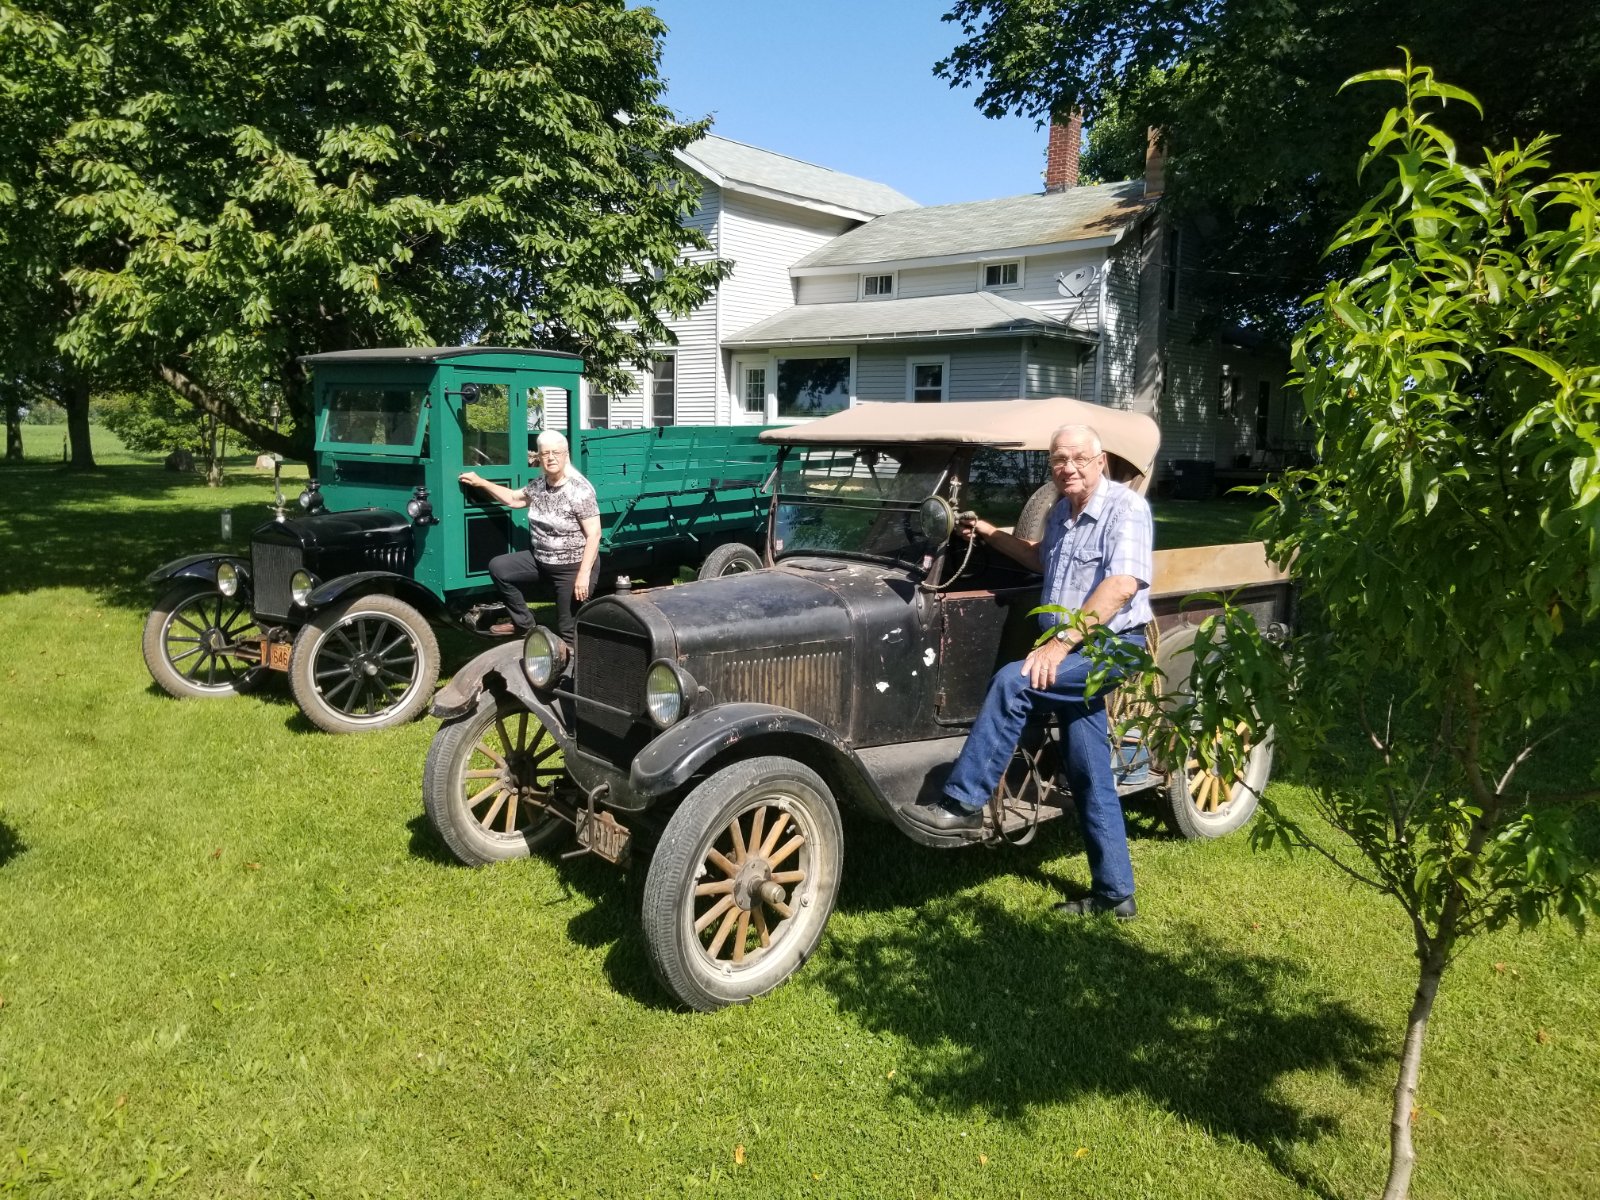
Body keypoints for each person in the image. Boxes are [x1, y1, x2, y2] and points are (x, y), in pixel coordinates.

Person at [904, 423, 1154, 920]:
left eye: (1079, 458)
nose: (1069, 468)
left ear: (1100, 461)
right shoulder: (1062, 513)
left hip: (1108, 647)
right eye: (1059, 460)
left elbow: (1122, 585)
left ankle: (963, 804)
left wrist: (1060, 644)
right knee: (1088, 771)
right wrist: (988, 532)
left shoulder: (1126, 508)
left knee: (1013, 682)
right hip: (1076, 646)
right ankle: (1115, 893)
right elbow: (1041, 559)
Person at [458, 429, 602, 645]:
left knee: (568, 630)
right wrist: (482, 483)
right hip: (541, 561)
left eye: (556, 452)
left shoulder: (579, 490)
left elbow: (594, 534)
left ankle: (574, 664)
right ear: (539, 457)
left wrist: (583, 575)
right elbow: (514, 499)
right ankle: (524, 624)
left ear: (566, 455)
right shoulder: (540, 484)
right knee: (499, 568)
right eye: (545, 453)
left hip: (572, 568)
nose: (550, 458)